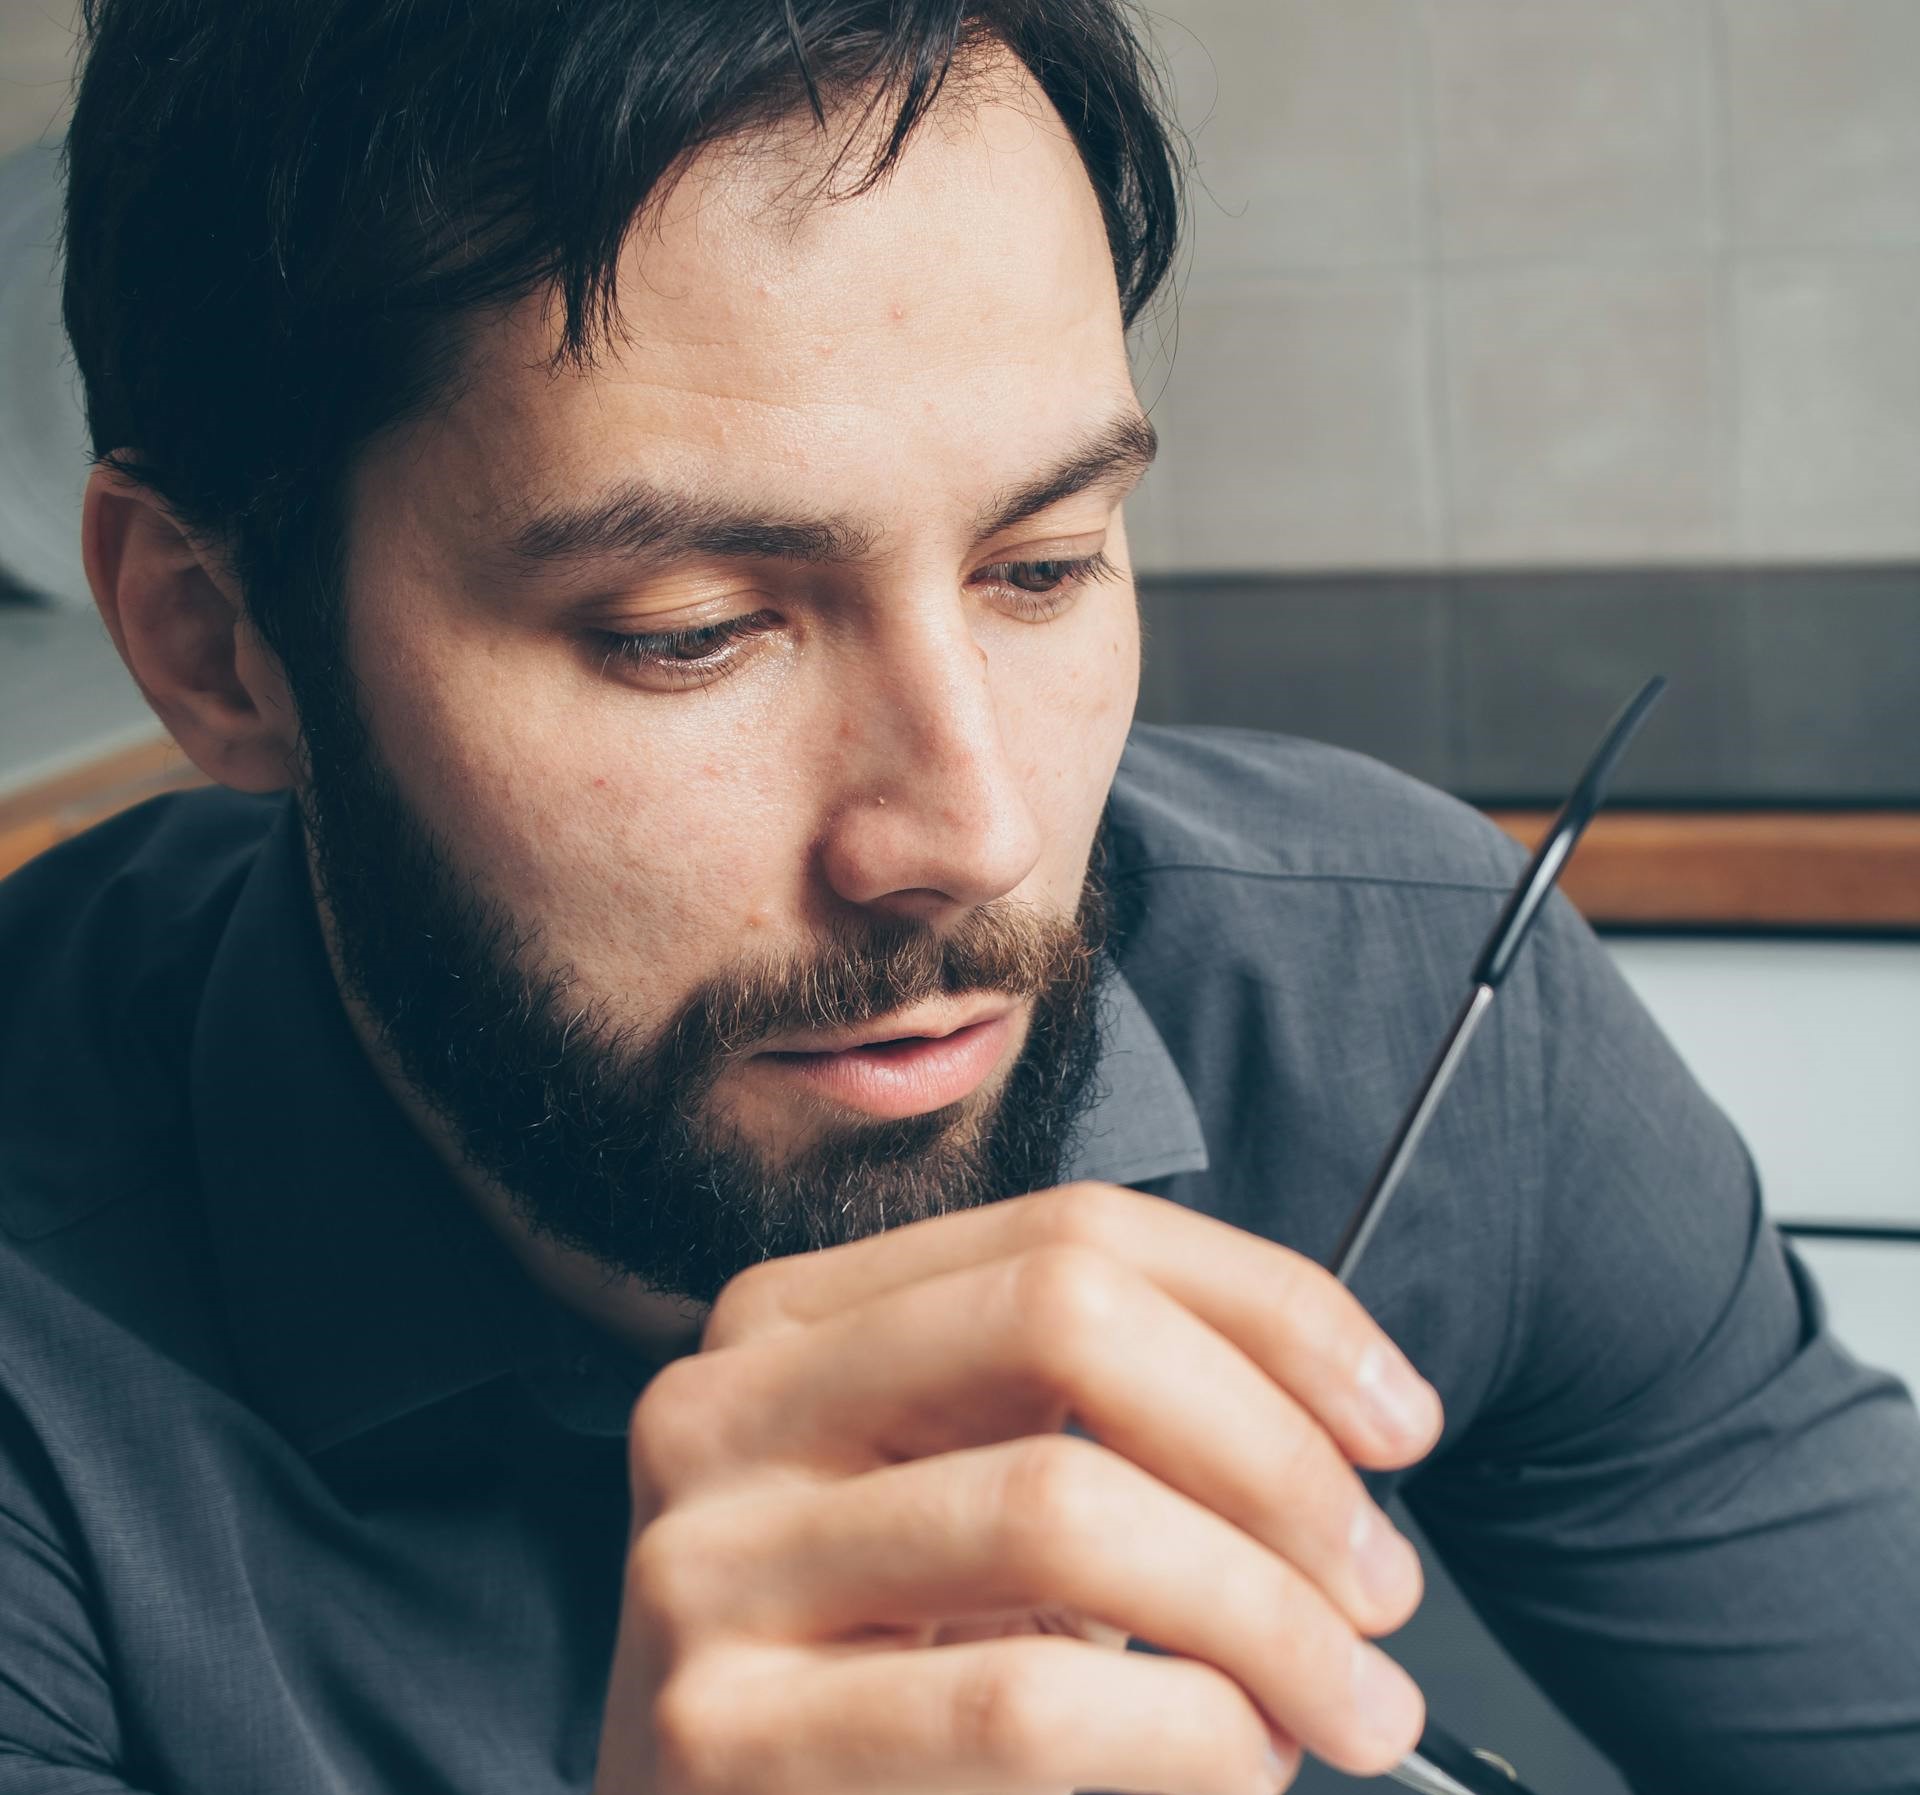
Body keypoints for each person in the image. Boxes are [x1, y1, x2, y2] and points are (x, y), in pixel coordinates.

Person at [5, 2, 1917, 1791]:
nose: (981, 834)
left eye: (1046, 565)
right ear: (211, 635)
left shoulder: (1400, 992)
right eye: (694, 632)